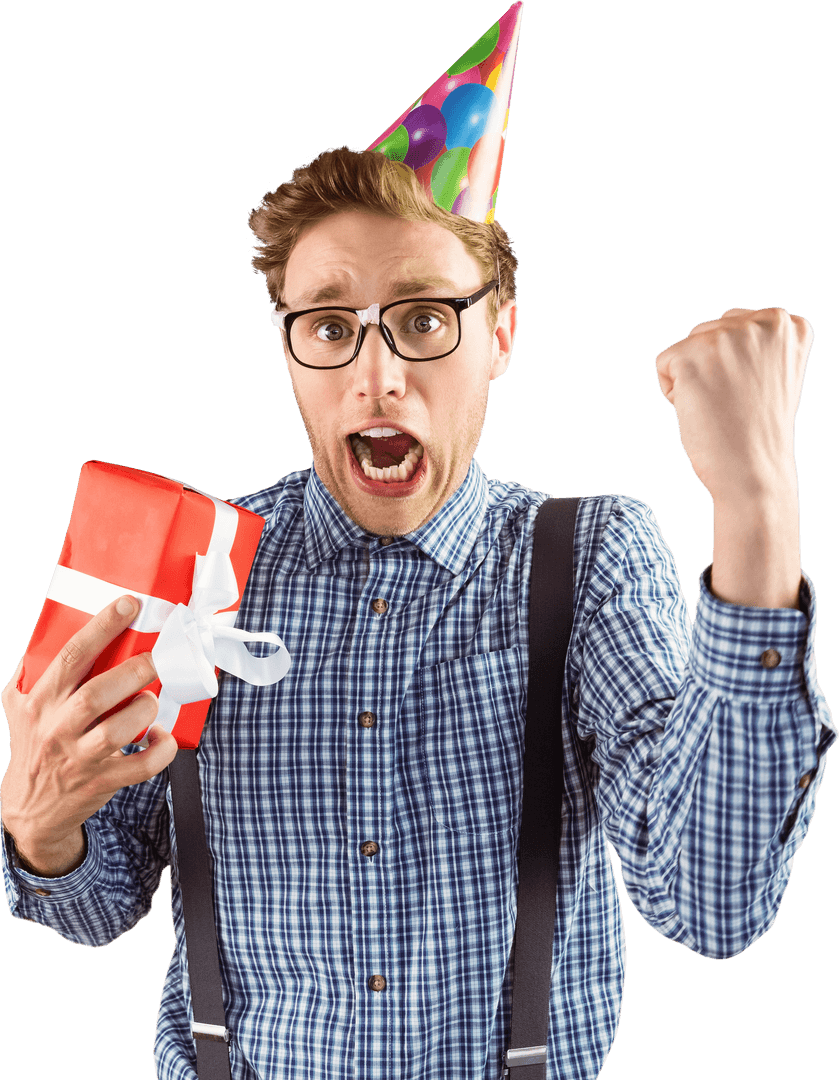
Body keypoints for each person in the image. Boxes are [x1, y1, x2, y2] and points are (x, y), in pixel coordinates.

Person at [1, 7, 835, 1079]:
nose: (376, 374)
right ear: (290, 347)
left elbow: (712, 902)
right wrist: (38, 826)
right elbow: (95, 904)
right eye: (330, 324)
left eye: (424, 319)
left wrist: (755, 505)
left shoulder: (586, 560)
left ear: (497, 334)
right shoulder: (194, 565)